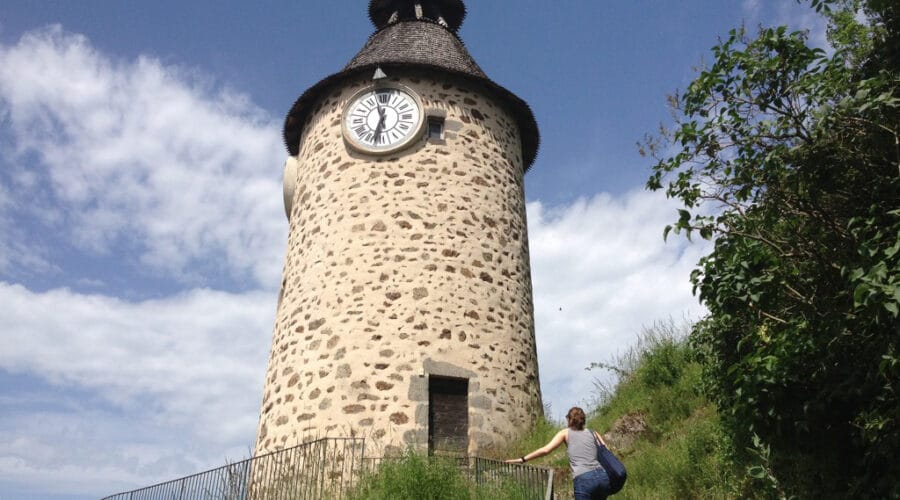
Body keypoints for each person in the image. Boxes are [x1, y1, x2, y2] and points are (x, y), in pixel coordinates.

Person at [506, 406, 611, 500]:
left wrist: (522, 459)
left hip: (584, 478)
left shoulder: (565, 433)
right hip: (603, 477)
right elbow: (607, 451)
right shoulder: (593, 432)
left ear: (570, 419)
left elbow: (546, 450)